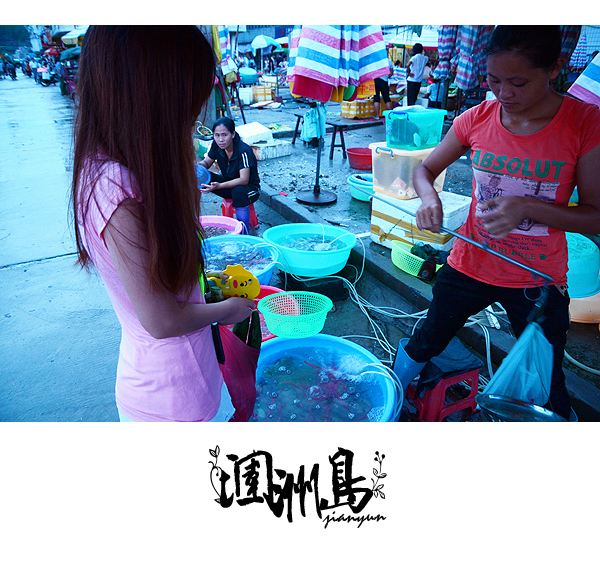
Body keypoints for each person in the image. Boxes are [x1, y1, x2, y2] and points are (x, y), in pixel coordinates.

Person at [394, 25, 600, 421]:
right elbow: (425, 170)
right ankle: (392, 391)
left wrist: (528, 207)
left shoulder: (584, 122)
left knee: (547, 376)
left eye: (518, 83)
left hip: (538, 278)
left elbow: (594, 213)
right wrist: (430, 199)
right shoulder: (476, 118)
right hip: (470, 262)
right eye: (493, 80)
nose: (504, 93)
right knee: (428, 338)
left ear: (555, 68)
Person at [71, 26, 256, 422]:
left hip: (190, 379)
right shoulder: (114, 186)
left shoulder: (119, 166)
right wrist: (227, 310)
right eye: (186, 106)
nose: (191, 122)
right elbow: (162, 320)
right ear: (151, 97)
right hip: (171, 401)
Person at [198, 116, 260, 233]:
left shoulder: (243, 151)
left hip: (249, 189)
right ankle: (193, 221)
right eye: (217, 135)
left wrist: (219, 186)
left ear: (233, 134)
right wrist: (197, 168)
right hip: (227, 185)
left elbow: (244, 180)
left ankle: (243, 232)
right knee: (198, 177)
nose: (220, 139)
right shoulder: (216, 146)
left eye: (224, 135)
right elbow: (206, 162)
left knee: (238, 191)